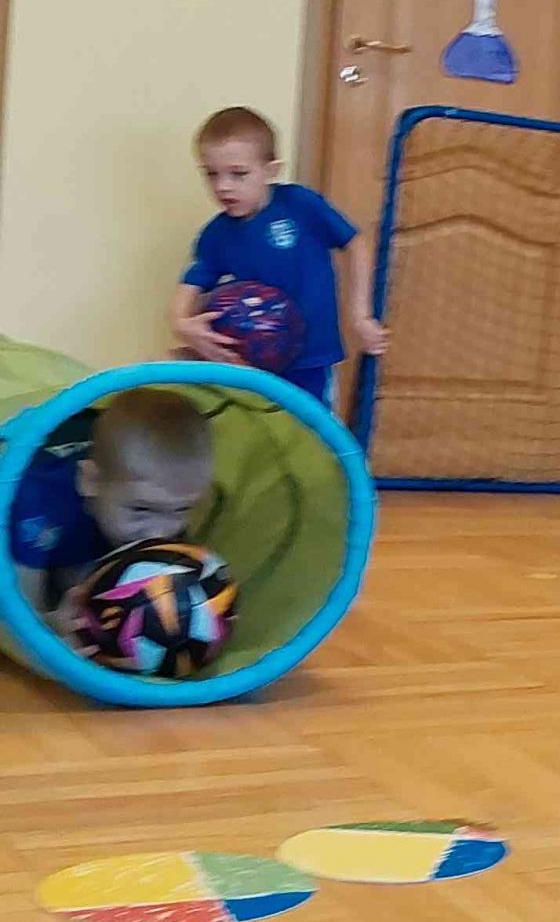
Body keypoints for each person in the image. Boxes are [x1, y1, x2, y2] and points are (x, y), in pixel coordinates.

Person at [171, 108, 385, 403]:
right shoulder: (215, 235)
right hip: (252, 366)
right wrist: (181, 324)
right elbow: (189, 287)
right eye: (211, 174)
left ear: (271, 170)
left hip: (310, 360)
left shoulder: (300, 204)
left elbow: (356, 244)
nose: (223, 186)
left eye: (238, 174)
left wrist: (360, 315)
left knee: (311, 426)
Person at [9, 386, 214, 629]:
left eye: (182, 510)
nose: (159, 533)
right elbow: (19, 618)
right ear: (90, 481)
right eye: (141, 510)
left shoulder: (154, 496)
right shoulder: (34, 505)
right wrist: (54, 625)